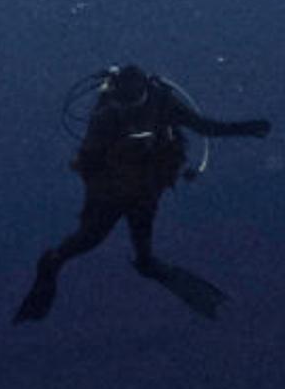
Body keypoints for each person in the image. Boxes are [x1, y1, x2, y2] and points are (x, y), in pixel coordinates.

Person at [14, 63, 269, 323]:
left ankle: (145, 261)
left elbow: (201, 126)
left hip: (146, 182)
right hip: (111, 188)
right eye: (125, 104)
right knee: (90, 237)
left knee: (142, 234)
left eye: (134, 103)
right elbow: (89, 161)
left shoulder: (162, 102)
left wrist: (243, 129)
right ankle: (53, 263)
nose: (130, 110)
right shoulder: (106, 115)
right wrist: (105, 187)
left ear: (145, 92)